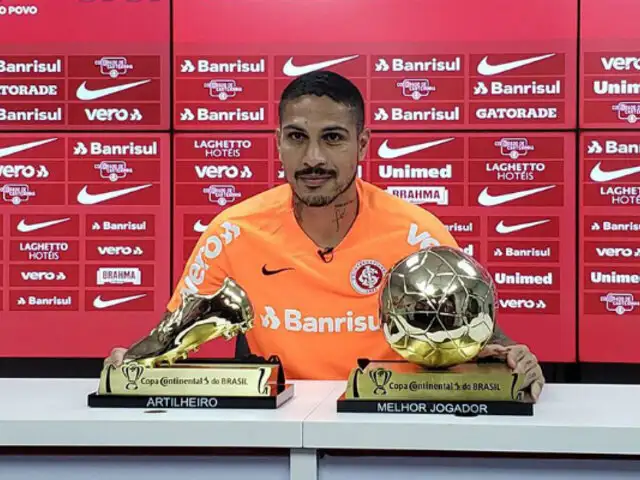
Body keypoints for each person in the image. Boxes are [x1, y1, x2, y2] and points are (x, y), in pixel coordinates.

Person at [105, 70, 545, 401]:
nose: (312, 158)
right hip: (282, 431)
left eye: (332, 138)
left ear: (363, 144)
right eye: (297, 137)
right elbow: (170, 335)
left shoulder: (418, 234)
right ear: (278, 142)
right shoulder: (233, 232)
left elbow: (478, 337)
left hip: (393, 427)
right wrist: (130, 364)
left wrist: (512, 355)